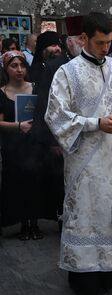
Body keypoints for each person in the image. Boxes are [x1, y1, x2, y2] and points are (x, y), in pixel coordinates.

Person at [45, 12, 112, 295]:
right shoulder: (67, 73)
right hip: (88, 163)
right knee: (93, 215)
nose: (106, 48)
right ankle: (91, 280)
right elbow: (55, 116)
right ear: (83, 39)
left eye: (109, 42)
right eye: (100, 42)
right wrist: (95, 124)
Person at [32, 16, 86, 231]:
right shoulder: (56, 67)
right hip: (63, 137)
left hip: (87, 134)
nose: (84, 45)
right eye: (80, 41)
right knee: (64, 183)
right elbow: (46, 104)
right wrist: (53, 140)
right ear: (70, 42)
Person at [0, 51, 50, 239]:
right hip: (13, 146)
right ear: (6, 68)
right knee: (18, 184)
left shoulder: (35, 88)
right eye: (14, 66)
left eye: (22, 65)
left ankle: (35, 223)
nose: (19, 70)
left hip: (35, 144)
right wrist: (18, 126)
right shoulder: (2, 92)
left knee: (36, 181)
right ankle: (23, 224)